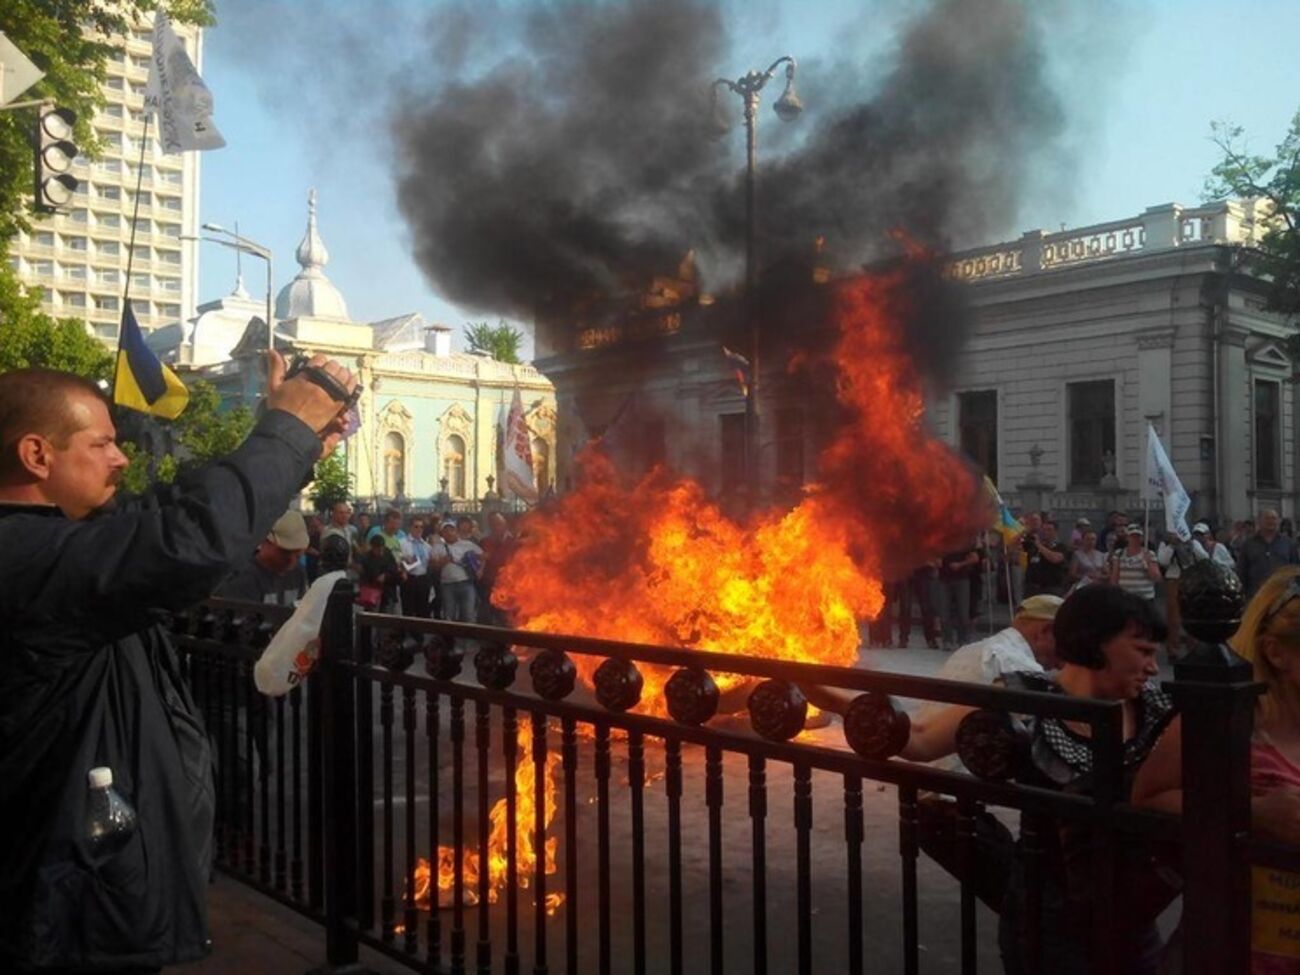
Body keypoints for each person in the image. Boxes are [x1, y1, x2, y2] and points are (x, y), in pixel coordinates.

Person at [0, 353, 356, 972]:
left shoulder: (54, 539)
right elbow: (187, 543)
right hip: (60, 915)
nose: (121, 458)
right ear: (37, 456)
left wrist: (289, 443)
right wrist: (286, 430)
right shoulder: (23, 556)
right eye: (103, 443)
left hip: (81, 896)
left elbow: (170, 509)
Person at [1134, 566, 1300, 974]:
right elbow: (1147, 799)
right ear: (1276, 652)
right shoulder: (1225, 717)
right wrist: (1253, 813)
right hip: (1243, 947)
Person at [902, 593, 1064, 766]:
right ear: (1045, 631)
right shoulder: (1021, 669)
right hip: (955, 783)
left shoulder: (971, 649)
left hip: (926, 775)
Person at [213, 509, 310, 606]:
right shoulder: (244, 579)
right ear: (264, 540)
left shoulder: (298, 573)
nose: (291, 560)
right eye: (285, 552)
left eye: (297, 553)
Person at [1239, 509, 1300, 600]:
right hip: (1256, 596)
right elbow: (1242, 571)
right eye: (1267, 518)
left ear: (1278, 521)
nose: (1271, 521)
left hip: (1283, 596)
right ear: (1259, 521)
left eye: (1274, 518)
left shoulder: (1288, 543)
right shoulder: (1248, 544)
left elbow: (1296, 569)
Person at [433, 520, 484, 626]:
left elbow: (484, 556)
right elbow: (433, 566)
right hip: (447, 586)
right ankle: (449, 641)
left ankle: (467, 641)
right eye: (446, 531)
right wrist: (442, 562)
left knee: (468, 616)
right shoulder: (438, 547)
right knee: (449, 616)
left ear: (456, 531)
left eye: (452, 530)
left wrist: (480, 570)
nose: (449, 533)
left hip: (467, 584)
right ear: (442, 534)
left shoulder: (468, 544)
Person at [936, 542, 980, 651]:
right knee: (944, 612)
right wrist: (936, 560)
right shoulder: (940, 539)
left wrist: (961, 564)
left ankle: (962, 639)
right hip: (944, 579)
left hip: (961, 579)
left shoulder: (965, 540)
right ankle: (947, 640)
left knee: (963, 612)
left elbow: (975, 558)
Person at [1109, 525, 1161, 604]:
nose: (1135, 539)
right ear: (1127, 538)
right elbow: (1115, 576)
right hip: (1124, 596)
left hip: (1144, 597)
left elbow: (1156, 578)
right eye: (1132, 536)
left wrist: (1148, 562)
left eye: (1138, 536)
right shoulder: (1119, 553)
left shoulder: (1150, 554)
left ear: (1142, 538)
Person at [1023, 518, 1070, 597]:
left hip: (1052, 588)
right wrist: (1025, 531)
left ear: (1055, 532)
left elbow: (1054, 559)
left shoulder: (1061, 547)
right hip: (1032, 588)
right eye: (1043, 530)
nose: (1045, 532)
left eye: (1049, 530)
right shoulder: (1032, 545)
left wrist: (1039, 545)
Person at [399, 516, 434, 617]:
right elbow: (398, 559)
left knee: (423, 609)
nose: (419, 529)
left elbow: (429, 563)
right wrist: (404, 560)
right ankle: (408, 631)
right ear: (410, 528)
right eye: (416, 527)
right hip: (409, 578)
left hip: (423, 579)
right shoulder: (402, 543)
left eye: (421, 527)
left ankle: (419, 632)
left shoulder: (427, 546)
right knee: (408, 609)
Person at [358, 533, 401, 613]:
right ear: (373, 547)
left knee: (386, 618)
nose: (380, 551)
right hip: (372, 594)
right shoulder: (366, 558)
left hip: (388, 593)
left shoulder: (388, 554)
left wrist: (386, 576)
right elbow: (363, 577)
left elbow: (395, 570)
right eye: (378, 549)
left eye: (382, 549)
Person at [320, 500, 358, 573]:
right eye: (341, 513)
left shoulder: (349, 530)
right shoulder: (328, 532)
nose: (344, 516)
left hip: (346, 570)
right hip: (331, 571)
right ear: (333, 514)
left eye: (347, 513)